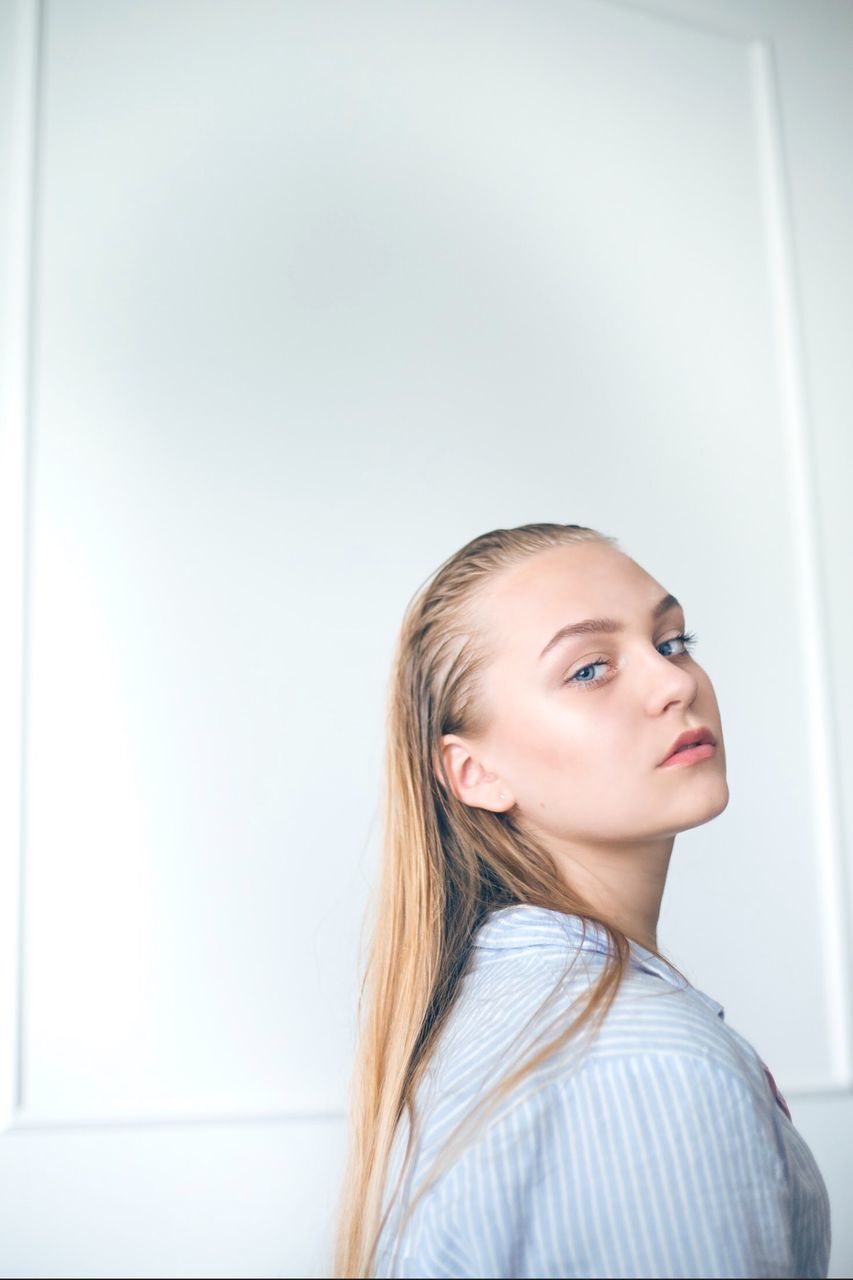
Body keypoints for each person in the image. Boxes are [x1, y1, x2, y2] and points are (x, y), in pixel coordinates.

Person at [332, 522, 831, 1279]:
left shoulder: (527, 1010)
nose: (676, 683)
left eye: (671, 641)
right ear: (472, 773)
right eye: (590, 669)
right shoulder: (638, 1066)